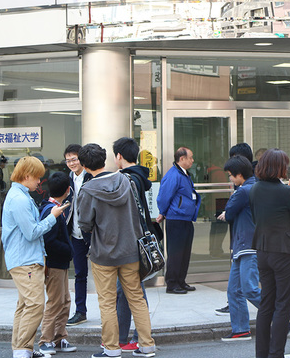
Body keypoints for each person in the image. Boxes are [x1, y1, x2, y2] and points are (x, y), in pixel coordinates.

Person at [76, 143, 156, 358]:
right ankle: (147, 345)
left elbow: (84, 223)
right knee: (136, 298)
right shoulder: (126, 180)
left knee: (107, 303)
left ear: (84, 166)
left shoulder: (88, 190)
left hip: (103, 254)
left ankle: (111, 349)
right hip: (130, 250)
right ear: (106, 159)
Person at [2, 156, 69, 358]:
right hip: (26, 260)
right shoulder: (20, 199)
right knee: (35, 305)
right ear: (27, 175)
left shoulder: (19, 195)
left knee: (25, 305)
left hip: (24, 259)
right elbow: (31, 233)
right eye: (38, 177)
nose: (40, 181)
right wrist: (52, 217)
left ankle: (22, 349)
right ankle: (22, 349)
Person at [250, 149, 290, 358]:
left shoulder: (254, 189)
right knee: (283, 304)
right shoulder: (286, 191)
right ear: (279, 167)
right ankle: (276, 354)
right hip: (283, 251)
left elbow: (255, 218)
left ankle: (262, 353)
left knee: (266, 303)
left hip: (262, 250)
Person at [114, 137, 155, 352]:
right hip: (137, 240)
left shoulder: (126, 178)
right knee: (126, 290)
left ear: (119, 156)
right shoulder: (139, 176)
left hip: (130, 242)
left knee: (136, 291)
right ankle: (123, 337)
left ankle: (140, 338)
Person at [219, 156, 261, 342]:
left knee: (249, 289)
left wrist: (227, 211)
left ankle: (282, 313)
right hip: (244, 246)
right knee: (234, 290)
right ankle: (241, 329)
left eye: (230, 175)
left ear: (239, 174)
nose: (230, 179)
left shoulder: (243, 191)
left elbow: (229, 213)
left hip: (248, 246)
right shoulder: (255, 186)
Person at [37, 172, 77, 355]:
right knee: (55, 302)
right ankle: (45, 340)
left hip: (59, 263)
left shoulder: (52, 206)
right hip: (54, 264)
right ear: (68, 190)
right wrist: (69, 250)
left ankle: (59, 337)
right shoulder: (52, 210)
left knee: (64, 301)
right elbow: (49, 241)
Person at [156, 146, 201, 294]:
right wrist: (163, 212)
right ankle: (172, 283)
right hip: (176, 218)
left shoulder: (184, 174)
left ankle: (181, 281)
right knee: (176, 252)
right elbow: (164, 197)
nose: (192, 160)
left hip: (186, 218)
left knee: (185, 252)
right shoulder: (173, 175)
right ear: (182, 159)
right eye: (190, 157)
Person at [64, 144, 91, 327]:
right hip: (75, 234)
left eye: (74, 159)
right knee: (80, 274)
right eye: (68, 160)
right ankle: (80, 311)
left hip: (93, 234)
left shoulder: (91, 177)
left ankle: (111, 310)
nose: (72, 163)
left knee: (105, 274)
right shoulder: (68, 179)